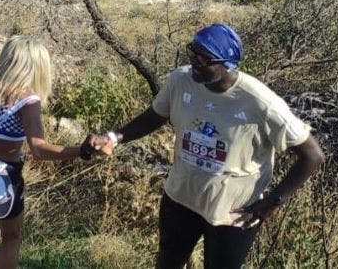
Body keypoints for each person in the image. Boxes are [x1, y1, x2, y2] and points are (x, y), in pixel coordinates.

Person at [89, 23, 324, 269]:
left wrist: (274, 201)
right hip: (181, 196)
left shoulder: (260, 102)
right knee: (168, 263)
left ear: (227, 65)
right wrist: (114, 137)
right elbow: (154, 116)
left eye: (204, 58)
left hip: (233, 212)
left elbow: (312, 156)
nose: (195, 62)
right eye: (193, 52)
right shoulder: (181, 81)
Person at [0, 35, 112, 269]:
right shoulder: (28, 101)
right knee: (11, 237)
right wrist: (81, 151)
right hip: (2, 179)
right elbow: (38, 148)